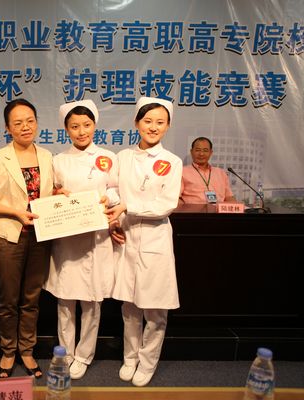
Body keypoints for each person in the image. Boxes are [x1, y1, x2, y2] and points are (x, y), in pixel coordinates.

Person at [43, 100, 120, 380]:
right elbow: (50, 192)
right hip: (67, 238)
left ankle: (85, 355)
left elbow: (117, 191)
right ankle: (65, 352)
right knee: (65, 299)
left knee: (92, 301)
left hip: (96, 238)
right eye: (74, 126)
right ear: (66, 130)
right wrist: (56, 193)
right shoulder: (58, 160)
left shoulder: (109, 157)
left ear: (95, 126)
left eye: (86, 125)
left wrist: (107, 198)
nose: (81, 131)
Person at [0, 98, 53, 379]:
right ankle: (8, 351)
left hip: (41, 237)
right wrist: (15, 212)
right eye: (18, 123)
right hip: (9, 236)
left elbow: (47, 193)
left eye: (30, 121)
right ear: (8, 128)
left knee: (32, 298)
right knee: (9, 299)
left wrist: (61, 194)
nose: (25, 127)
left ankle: (27, 350)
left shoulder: (47, 156)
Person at [111, 97, 182, 387]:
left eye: (160, 122)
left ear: (168, 126)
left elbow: (165, 205)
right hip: (127, 237)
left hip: (155, 239)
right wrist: (116, 216)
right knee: (129, 306)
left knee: (155, 309)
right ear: (136, 123)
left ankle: (148, 361)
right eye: (147, 121)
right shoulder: (123, 157)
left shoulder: (173, 162)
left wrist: (127, 207)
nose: (153, 127)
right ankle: (130, 358)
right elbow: (112, 190)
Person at [180, 137, 235, 204]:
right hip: (194, 210)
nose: (201, 154)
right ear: (191, 152)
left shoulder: (221, 173)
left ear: (211, 153)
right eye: (198, 150)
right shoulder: (182, 172)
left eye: (205, 150)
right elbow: (176, 198)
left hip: (218, 210)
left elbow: (229, 197)